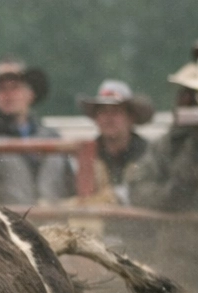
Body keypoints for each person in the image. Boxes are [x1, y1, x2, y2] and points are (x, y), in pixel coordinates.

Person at [0, 58, 75, 206]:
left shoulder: (52, 138)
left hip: (53, 220)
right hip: (6, 221)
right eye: (2, 88)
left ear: (30, 94)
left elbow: (70, 185)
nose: (9, 95)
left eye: (15, 87)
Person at [128, 45, 198, 213]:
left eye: (192, 95)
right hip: (180, 235)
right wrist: (173, 193)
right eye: (183, 93)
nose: (185, 101)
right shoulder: (167, 145)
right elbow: (138, 190)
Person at [75, 80, 154, 206]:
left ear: (131, 118)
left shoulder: (150, 154)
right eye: (103, 111)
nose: (108, 118)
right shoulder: (86, 154)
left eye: (116, 111)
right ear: (95, 118)